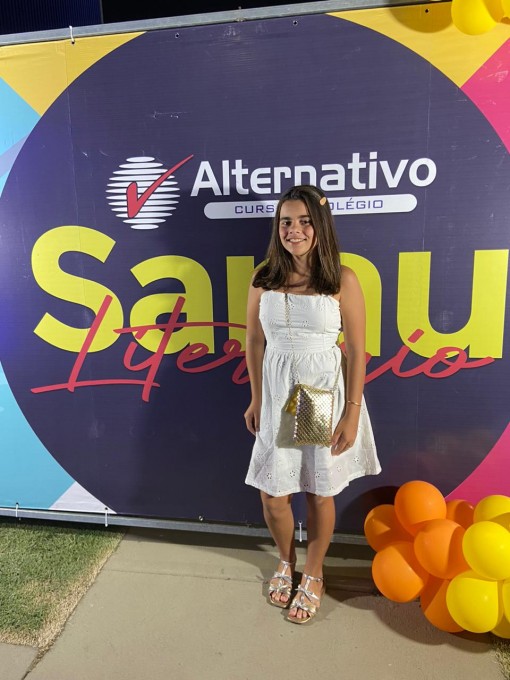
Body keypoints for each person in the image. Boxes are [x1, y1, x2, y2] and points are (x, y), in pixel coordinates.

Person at [244, 184, 381, 624]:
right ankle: (286, 562)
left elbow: (356, 350)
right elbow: (254, 341)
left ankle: (315, 572)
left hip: (318, 393)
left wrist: (352, 412)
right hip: (276, 394)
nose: (295, 230)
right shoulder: (263, 277)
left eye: (304, 221)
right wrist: (256, 398)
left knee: (318, 490)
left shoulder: (342, 279)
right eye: (286, 222)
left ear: (320, 226)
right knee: (273, 495)